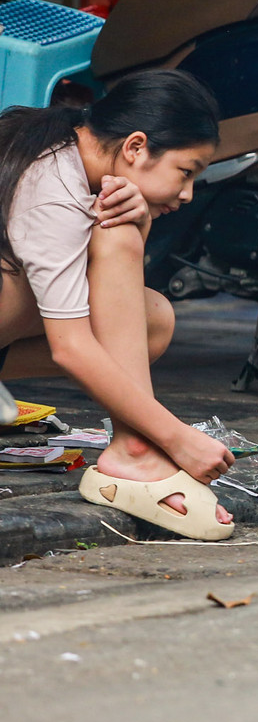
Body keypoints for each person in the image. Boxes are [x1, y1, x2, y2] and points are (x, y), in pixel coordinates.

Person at [0, 70, 235, 539]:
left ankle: (133, 450)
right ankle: (134, 452)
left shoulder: (75, 154)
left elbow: (116, 293)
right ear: (135, 146)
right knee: (110, 238)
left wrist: (141, 224)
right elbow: (70, 347)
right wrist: (177, 437)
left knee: (154, 320)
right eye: (186, 172)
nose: (188, 194)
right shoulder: (55, 187)